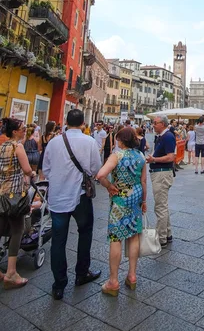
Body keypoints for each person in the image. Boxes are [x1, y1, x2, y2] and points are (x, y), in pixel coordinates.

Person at [43, 109, 102, 300]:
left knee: (58, 240)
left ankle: (59, 285)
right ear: (83, 123)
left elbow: (46, 169)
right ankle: (82, 273)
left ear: (66, 122)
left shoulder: (53, 142)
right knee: (85, 233)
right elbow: (95, 169)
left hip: (58, 197)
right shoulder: (89, 141)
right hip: (81, 195)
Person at [97, 127, 146, 296]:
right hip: (136, 197)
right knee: (133, 236)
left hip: (120, 200)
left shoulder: (117, 155)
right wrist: (144, 201)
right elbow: (144, 181)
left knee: (116, 237)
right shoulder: (141, 156)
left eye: (118, 139)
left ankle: (113, 281)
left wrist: (109, 186)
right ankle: (132, 276)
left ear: (121, 140)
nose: (116, 142)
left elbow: (100, 175)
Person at [0, 118, 35, 289]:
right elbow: (27, 169)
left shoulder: (2, 146)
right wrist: (32, 172)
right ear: (14, 132)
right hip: (14, 195)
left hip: (1, 193)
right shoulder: (17, 146)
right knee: (17, 231)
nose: (24, 131)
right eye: (22, 129)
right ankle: (11, 272)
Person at [146, 115, 176, 247]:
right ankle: (167, 234)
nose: (153, 125)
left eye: (155, 123)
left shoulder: (168, 137)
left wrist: (154, 160)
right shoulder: (161, 136)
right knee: (163, 205)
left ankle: (161, 237)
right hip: (159, 173)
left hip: (162, 174)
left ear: (163, 124)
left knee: (160, 207)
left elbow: (171, 157)